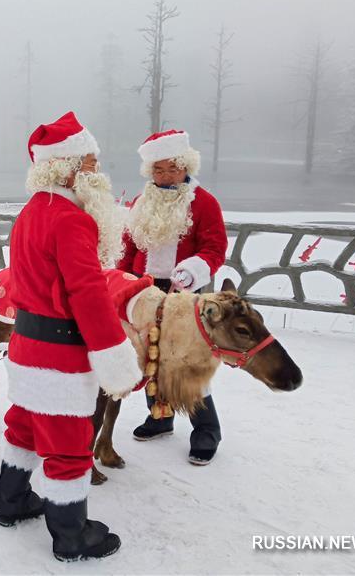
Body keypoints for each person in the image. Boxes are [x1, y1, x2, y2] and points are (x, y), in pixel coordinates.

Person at [0, 111, 144, 562]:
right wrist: (114, 353)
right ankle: (71, 534)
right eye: (92, 163)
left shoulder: (30, 213)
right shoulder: (72, 220)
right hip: (59, 353)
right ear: (70, 167)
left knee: (22, 426)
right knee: (68, 444)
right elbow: (87, 293)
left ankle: (12, 502)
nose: (98, 172)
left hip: (26, 345)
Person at [117, 129, 228, 465]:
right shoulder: (140, 203)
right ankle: (160, 417)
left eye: (171, 169)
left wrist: (193, 269)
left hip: (184, 293)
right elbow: (128, 246)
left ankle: (206, 430)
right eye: (158, 170)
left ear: (185, 165)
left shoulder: (203, 202)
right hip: (143, 289)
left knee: (187, 361)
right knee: (148, 355)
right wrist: (120, 279)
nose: (164, 176)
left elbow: (215, 248)